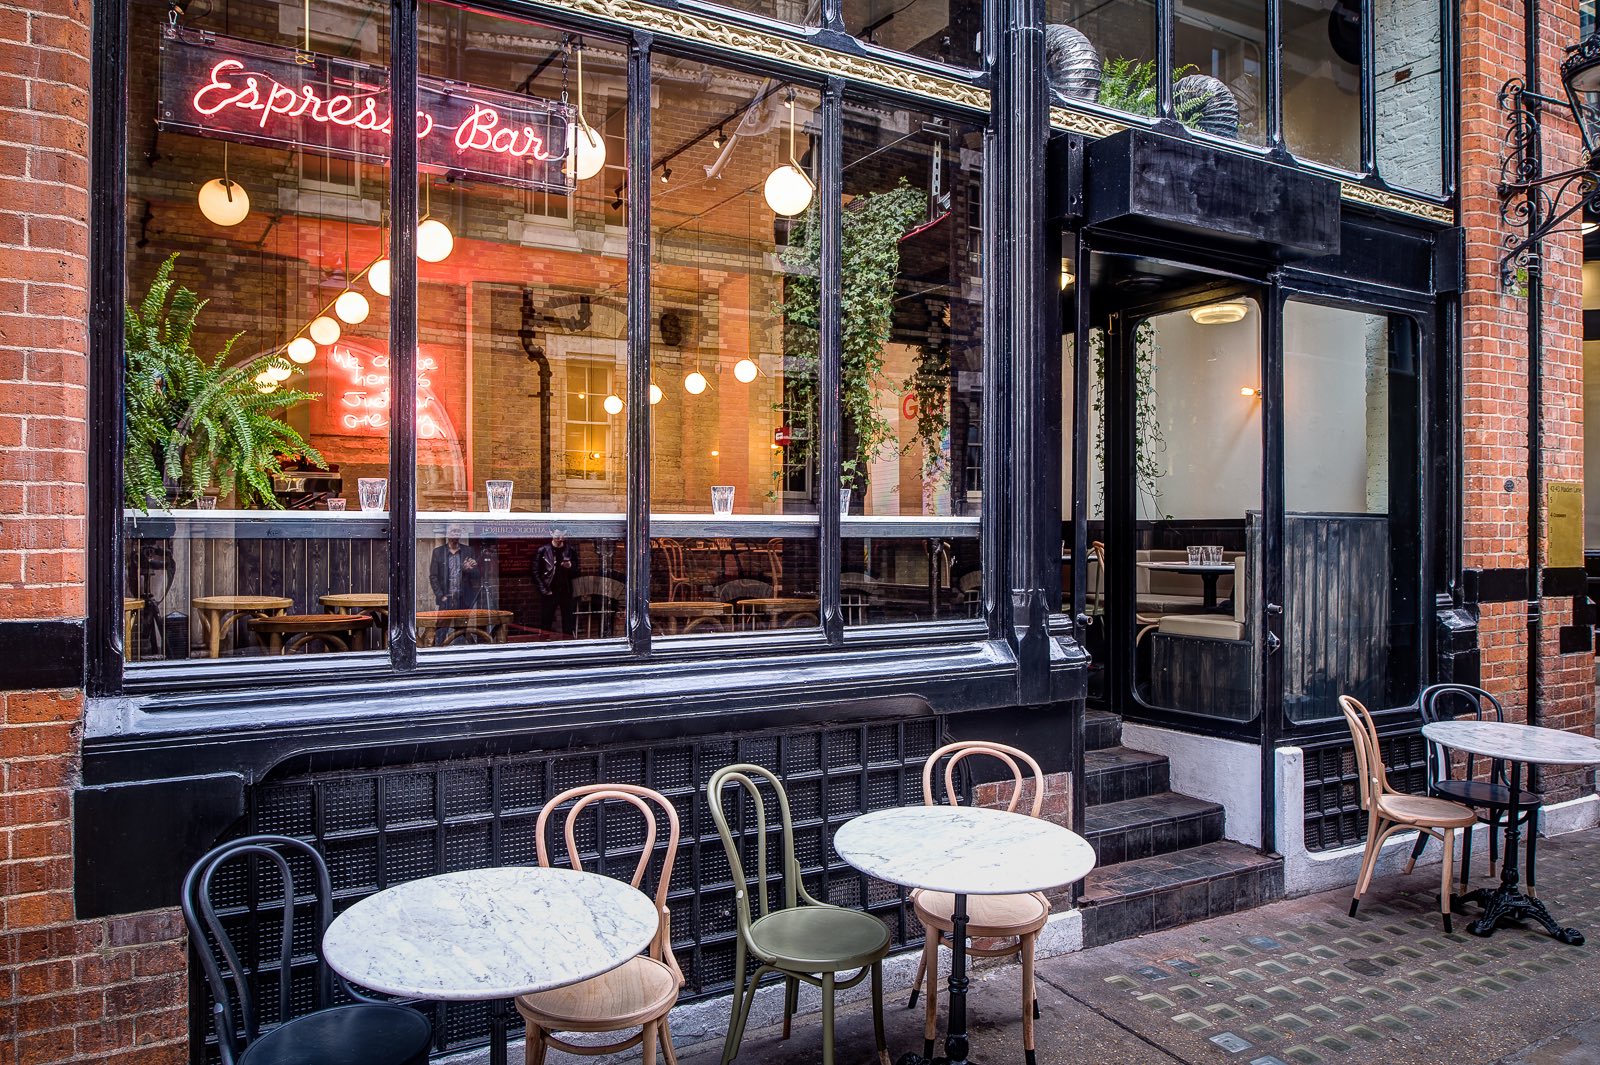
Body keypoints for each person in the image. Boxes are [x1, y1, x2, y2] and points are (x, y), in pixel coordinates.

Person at [535, 529, 580, 637]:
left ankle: (568, 644)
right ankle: (544, 644)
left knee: (568, 620)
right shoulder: (543, 550)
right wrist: (544, 590)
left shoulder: (570, 550)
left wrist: (570, 566)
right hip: (550, 590)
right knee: (546, 619)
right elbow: (535, 572)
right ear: (551, 533)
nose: (560, 537)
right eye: (557, 534)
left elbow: (577, 570)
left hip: (566, 590)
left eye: (562, 534)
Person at [429, 523, 482, 610]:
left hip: (464, 599)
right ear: (447, 533)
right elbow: (433, 577)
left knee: (461, 623)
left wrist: (469, 570)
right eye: (453, 531)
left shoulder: (468, 551)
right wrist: (441, 596)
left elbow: (477, 576)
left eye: (458, 531)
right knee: (442, 623)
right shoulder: (438, 552)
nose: (456, 533)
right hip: (446, 599)